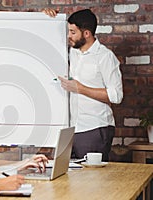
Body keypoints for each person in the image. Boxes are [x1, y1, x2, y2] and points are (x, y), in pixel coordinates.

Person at [54, 9, 123, 161]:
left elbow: (116, 95)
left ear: (86, 34)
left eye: (73, 32)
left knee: (93, 181)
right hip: (71, 129)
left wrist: (80, 89)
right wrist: (48, 16)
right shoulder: (73, 52)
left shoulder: (105, 57)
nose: (68, 36)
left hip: (94, 128)